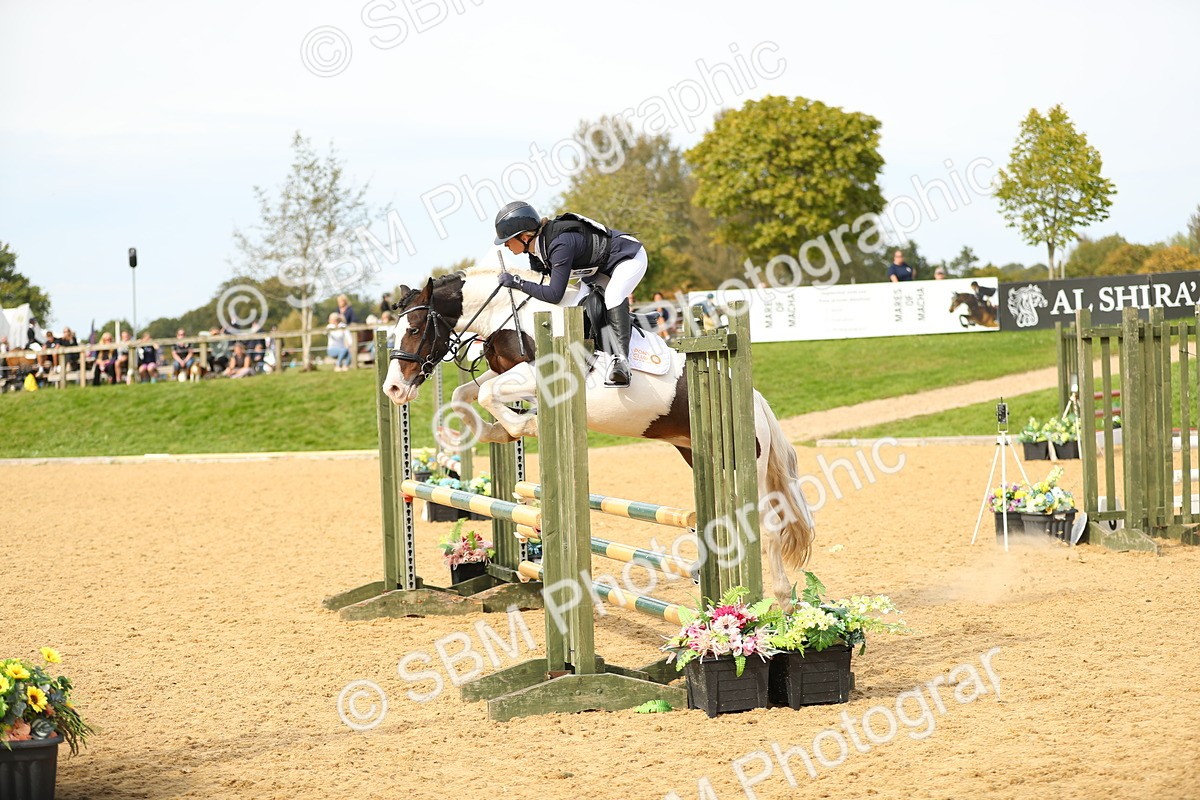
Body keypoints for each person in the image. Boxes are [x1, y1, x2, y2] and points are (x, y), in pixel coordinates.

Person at [492, 201, 647, 387]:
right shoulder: (536, 252)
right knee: (578, 304)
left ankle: (621, 362)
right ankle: (595, 350)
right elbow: (544, 289)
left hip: (627, 257)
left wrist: (518, 283)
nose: (506, 245)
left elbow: (554, 294)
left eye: (508, 240)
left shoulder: (559, 244)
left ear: (524, 237)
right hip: (598, 270)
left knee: (613, 295)